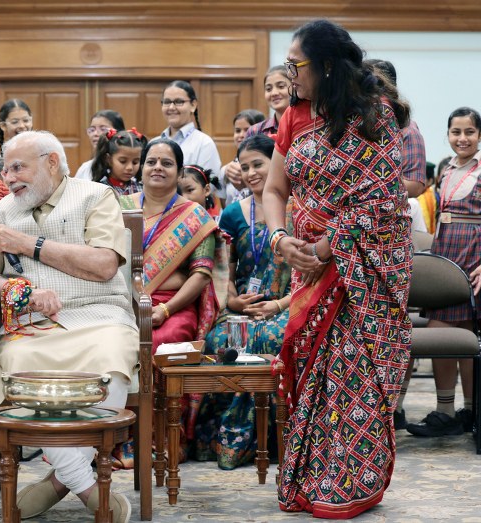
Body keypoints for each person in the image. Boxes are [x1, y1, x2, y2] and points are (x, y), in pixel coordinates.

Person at [263, 20, 412, 518]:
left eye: (295, 66)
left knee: (354, 374)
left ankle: (351, 482)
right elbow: (274, 190)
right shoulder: (294, 116)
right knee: (316, 376)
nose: (288, 76)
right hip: (307, 267)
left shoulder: (375, 116)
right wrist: (281, 240)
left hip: (361, 270)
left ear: (326, 66)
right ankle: (311, 476)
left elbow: (386, 201)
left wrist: (331, 245)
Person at [0, 130, 137, 522]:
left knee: (112, 354)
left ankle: (63, 478)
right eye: (6, 169)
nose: (9, 178)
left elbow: (104, 265)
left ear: (50, 163)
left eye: (18, 167)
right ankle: (84, 481)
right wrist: (12, 287)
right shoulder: (4, 212)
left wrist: (29, 245)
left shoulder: (96, 196)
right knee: (18, 360)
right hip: (33, 324)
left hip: (101, 314)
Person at [195, 134, 292, 468]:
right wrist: (234, 303)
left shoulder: (298, 208)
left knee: (270, 337)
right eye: (245, 166)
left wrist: (279, 305)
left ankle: (273, 441)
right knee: (219, 339)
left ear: (276, 164)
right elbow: (224, 271)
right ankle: (223, 439)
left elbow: (314, 275)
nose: (251, 173)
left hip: (289, 303)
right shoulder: (234, 214)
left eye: (259, 165)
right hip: (242, 308)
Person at [408, 107, 481, 437]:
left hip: (474, 254)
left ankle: (467, 410)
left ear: (479, 136)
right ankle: (448, 411)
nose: (462, 138)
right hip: (447, 251)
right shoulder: (446, 170)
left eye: (469, 132)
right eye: (456, 132)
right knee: (446, 330)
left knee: (464, 335)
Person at [120, 138, 219, 351]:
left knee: (167, 338)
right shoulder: (120, 207)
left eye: (166, 163)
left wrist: (165, 310)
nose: (157, 167)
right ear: (141, 168)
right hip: (121, 299)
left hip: (172, 304)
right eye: (151, 162)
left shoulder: (195, 216)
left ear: (180, 173)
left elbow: (201, 274)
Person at [365, 59, 426, 199]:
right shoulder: (356, 124)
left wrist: (369, 187)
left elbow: (415, 186)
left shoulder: (408, 131)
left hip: (393, 212)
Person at [156, 80, 222, 198]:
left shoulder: (204, 143)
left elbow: (208, 186)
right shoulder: (154, 143)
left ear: (193, 105)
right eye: (167, 102)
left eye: (179, 102)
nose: (171, 107)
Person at [223, 109, 265, 207]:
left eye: (247, 130)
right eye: (237, 130)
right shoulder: (226, 169)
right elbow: (225, 203)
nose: (241, 135)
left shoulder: (267, 164)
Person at [90, 128, 147, 195]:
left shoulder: (143, 190)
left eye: (135, 162)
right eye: (123, 161)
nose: (130, 167)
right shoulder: (99, 190)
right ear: (108, 159)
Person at [245, 65, 291, 141]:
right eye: (268, 89)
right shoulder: (255, 131)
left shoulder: (307, 126)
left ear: (294, 87)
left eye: (281, 86)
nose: (274, 93)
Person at [76, 109, 125, 180]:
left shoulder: (128, 167)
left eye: (103, 129)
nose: (95, 134)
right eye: (92, 130)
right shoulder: (85, 168)